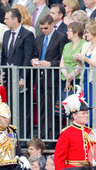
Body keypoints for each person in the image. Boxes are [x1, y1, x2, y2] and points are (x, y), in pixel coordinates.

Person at [31, 14, 68, 144]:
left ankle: (52, 136)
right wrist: (33, 60)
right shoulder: (39, 38)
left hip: (53, 78)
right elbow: (35, 54)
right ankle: (43, 134)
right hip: (40, 77)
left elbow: (63, 58)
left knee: (51, 107)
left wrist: (50, 64)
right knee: (41, 107)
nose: (44, 30)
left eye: (46, 28)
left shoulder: (61, 37)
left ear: (52, 24)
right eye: (41, 28)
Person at [1, 8, 35, 140]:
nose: (4, 21)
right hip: (9, 77)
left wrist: (23, 77)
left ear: (15, 19)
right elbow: (5, 55)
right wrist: (3, 72)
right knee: (10, 108)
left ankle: (24, 138)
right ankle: (11, 136)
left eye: (7, 18)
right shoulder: (6, 34)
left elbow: (27, 57)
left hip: (21, 79)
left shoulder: (27, 35)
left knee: (23, 109)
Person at [53, 85, 96, 170]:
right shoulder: (66, 133)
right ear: (74, 116)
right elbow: (59, 159)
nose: (86, 116)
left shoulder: (90, 132)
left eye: (87, 113)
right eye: (83, 113)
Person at [60, 21, 86, 100]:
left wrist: (71, 76)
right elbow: (62, 63)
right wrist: (67, 76)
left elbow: (81, 64)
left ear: (76, 33)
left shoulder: (84, 44)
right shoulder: (67, 45)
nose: (67, 32)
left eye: (69, 31)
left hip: (77, 79)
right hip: (64, 78)